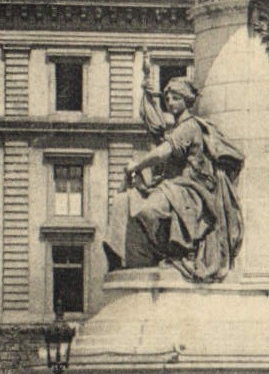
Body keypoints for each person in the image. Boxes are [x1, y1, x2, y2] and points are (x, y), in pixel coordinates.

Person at [103, 79, 244, 284]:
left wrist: (137, 165)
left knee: (148, 210)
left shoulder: (189, 126)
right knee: (124, 202)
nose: (169, 102)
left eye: (175, 98)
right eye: (167, 98)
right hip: (173, 185)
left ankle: (175, 251)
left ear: (187, 101)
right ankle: (136, 256)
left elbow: (163, 153)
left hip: (192, 188)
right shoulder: (176, 128)